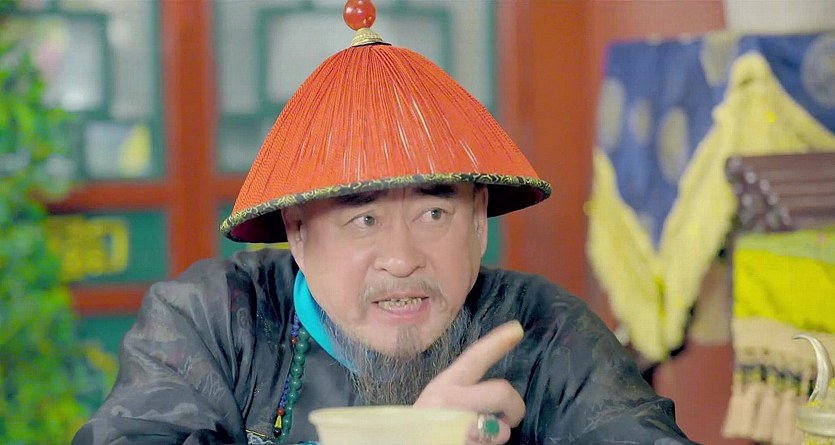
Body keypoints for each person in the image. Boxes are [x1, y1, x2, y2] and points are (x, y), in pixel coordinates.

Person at [73, 2, 700, 444]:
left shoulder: (545, 334)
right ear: (297, 232)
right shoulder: (213, 322)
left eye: (434, 213)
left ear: (479, 220)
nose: (401, 259)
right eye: (364, 219)